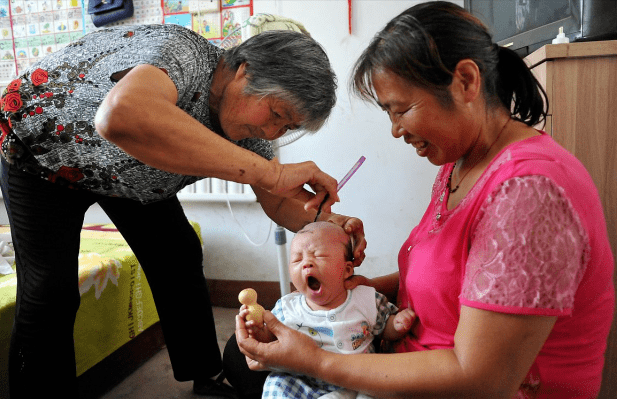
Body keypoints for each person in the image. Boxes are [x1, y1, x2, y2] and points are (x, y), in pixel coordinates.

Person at [234, 2, 615, 398]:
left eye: (401, 110)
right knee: (241, 356)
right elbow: (459, 277)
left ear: (466, 81)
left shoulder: (529, 193)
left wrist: (314, 359)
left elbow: (481, 379)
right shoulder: (458, 166)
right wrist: (354, 291)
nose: (396, 130)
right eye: (389, 114)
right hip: (404, 355)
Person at [0, 24, 367, 398]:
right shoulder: (182, 52)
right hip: (43, 156)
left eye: (286, 127)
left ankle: (205, 374)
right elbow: (120, 114)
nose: (272, 133)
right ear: (245, 70)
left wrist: (328, 224)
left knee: (177, 253)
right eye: (275, 113)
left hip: (129, 176)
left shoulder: (251, 132)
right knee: (49, 289)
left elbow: (277, 201)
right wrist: (272, 171)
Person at [234, 221, 415, 399]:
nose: (306, 263)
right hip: (302, 379)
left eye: (319, 255)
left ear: (347, 269)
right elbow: (273, 341)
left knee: (376, 392)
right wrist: (259, 332)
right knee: (277, 385)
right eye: (297, 259)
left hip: (356, 377)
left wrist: (397, 325)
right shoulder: (287, 307)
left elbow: (384, 327)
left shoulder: (365, 298)